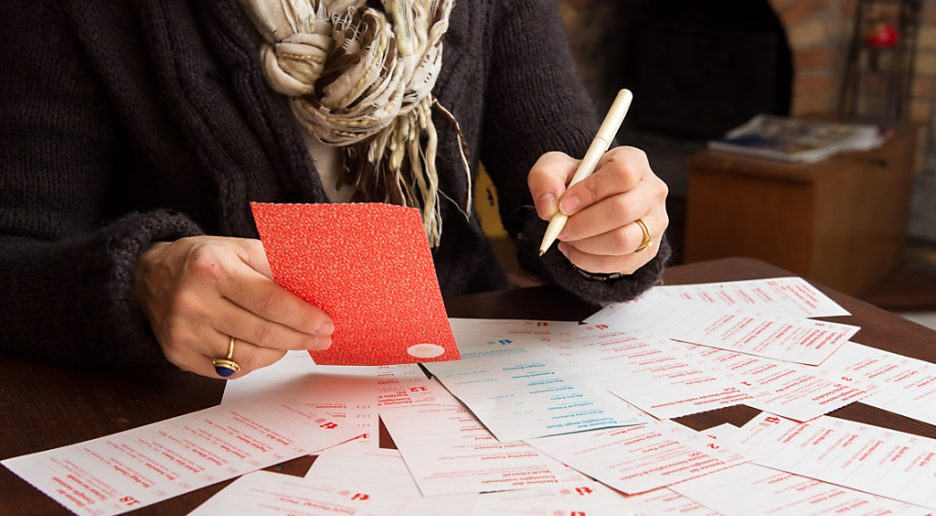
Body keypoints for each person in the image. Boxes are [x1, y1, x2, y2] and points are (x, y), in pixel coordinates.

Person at [0, 0, 669, 380]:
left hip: (459, 390)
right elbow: (14, 257)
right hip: (200, 417)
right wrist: (139, 281)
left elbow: (576, 179)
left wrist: (618, 229)